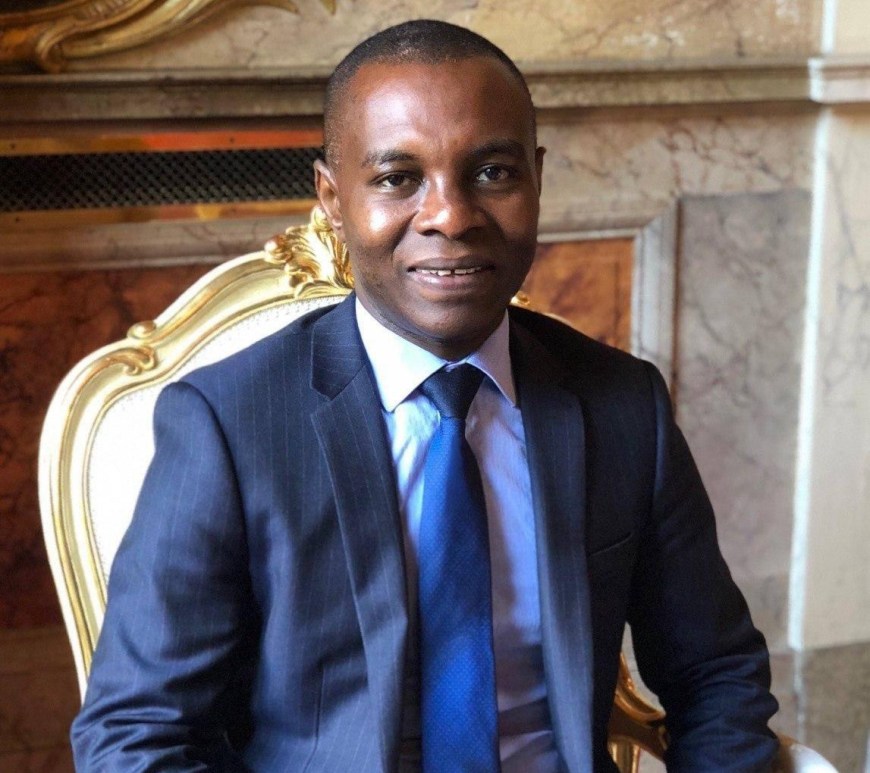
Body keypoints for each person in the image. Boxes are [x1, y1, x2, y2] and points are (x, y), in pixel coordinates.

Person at [71, 19, 779, 772]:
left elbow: (717, 677)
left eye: (493, 172)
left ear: (536, 178)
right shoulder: (228, 424)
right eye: (397, 178)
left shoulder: (623, 405)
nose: (451, 215)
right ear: (332, 198)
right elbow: (136, 733)